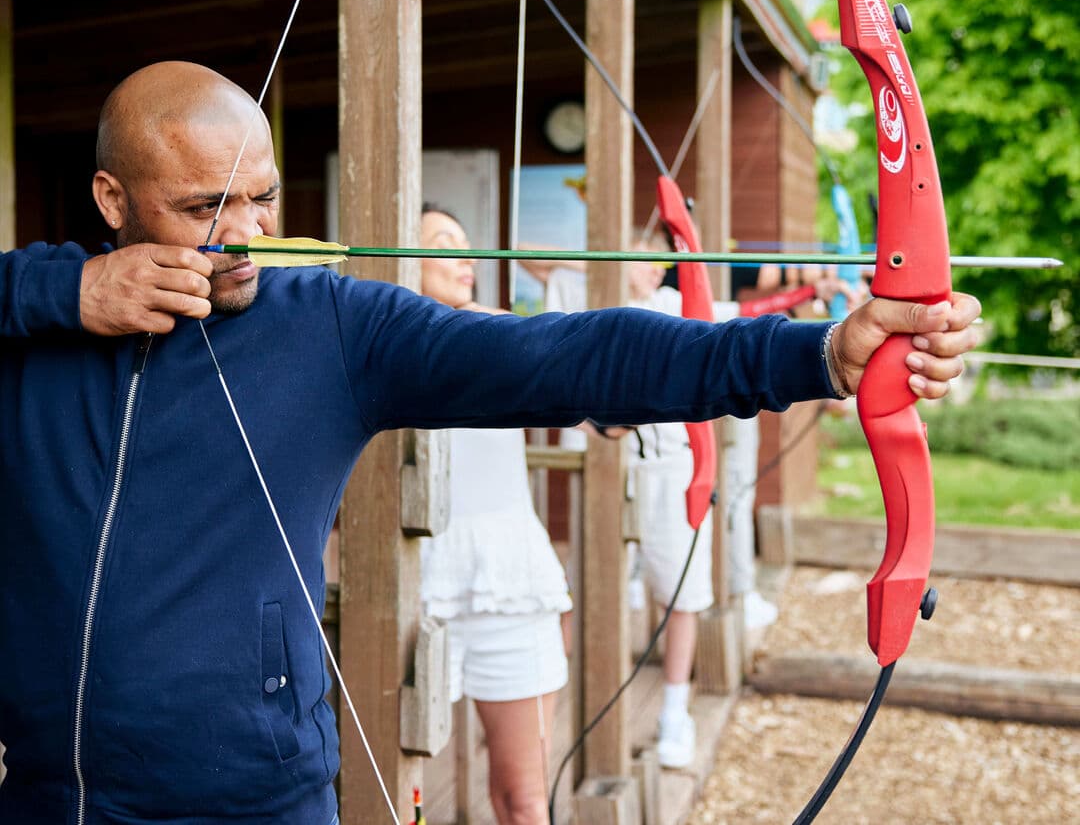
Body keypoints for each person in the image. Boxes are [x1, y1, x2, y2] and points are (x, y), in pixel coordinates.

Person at [0, 61, 979, 824]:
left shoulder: (325, 328)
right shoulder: (39, 325)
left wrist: (815, 354)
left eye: (260, 198)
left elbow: (570, 356)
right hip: (47, 797)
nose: (247, 233)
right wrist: (62, 295)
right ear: (112, 199)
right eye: (204, 210)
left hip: (255, 797)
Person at [541, 240, 857, 769]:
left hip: (671, 470)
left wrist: (812, 292)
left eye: (652, 258)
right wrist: (602, 258)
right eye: (633, 252)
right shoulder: (588, 296)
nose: (644, 264)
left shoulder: (676, 305)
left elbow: (752, 317)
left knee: (681, 595)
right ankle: (547, 700)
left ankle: (673, 711)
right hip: (605, 468)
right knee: (581, 588)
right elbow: (532, 254)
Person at [418, 205, 570, 825]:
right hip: (415, 579)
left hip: (508, 579)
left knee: (523, 800)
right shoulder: (376, 342)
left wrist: (495, 326)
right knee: (401, 795)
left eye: (466, 245)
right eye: (442, 243)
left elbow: (580, 389)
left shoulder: (500, 336)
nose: (465, 258)